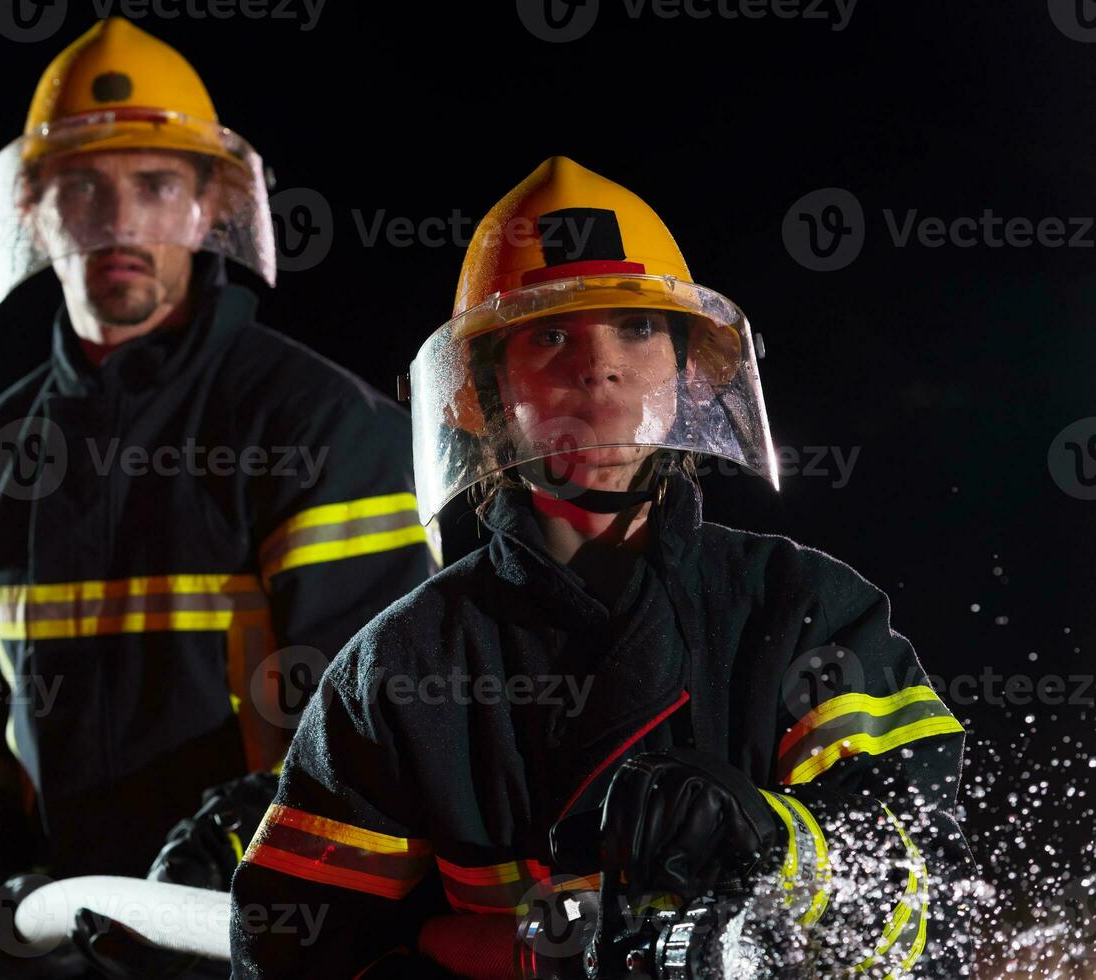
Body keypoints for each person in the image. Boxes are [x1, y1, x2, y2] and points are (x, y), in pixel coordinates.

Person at [229, 157, 974, 978]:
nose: (599, 368)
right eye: (550, 336)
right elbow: (297, 953)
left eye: (637, 327)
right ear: (480, 395)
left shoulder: (807, 612)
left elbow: (925, 884)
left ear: (691, 368)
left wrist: (772, 839)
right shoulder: (397, 672)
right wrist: (545, 959)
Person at [0, 19, 435, 978]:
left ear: (206, 208)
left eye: (154, 185)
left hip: (263, 940)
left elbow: (380, 722)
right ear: (35, 210)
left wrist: (225, 864)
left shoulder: (318, 427)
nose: (119, 223)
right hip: (64, 947)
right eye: (83, 189)